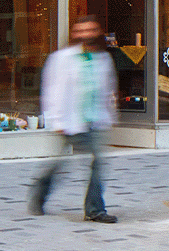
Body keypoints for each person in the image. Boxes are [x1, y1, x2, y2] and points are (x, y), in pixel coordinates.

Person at [30, 15, 118, 223]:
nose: (86, 35)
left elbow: (108, 89)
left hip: (95, 121)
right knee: (61, 164)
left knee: (98, 162)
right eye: (81, 31)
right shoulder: (62, 58)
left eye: (91, 30)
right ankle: (40, 191)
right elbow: (52, 90)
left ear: (98, 33)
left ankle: (95, 210)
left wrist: (110, 115)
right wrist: (56, 120)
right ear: (74, 34)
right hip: (70, 121)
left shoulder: (103, 59)